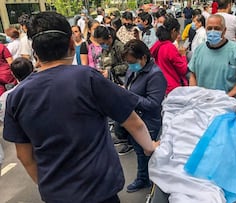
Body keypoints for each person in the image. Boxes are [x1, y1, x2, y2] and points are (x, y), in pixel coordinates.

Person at [3, 11, 156, 203]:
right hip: (100, 191)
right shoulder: (89, 78)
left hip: (57, 195)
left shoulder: (16, 96)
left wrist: (49, 186)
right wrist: (150, 147)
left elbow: (24, 156)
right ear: (70, 43)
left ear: (35, 51)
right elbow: (134, 123)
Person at [122, 39, 167, 193]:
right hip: (135, 117)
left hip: (149, 121)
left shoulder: (155, 75)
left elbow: (153, 103)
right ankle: (146, 178)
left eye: (132, 62)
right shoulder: (134, 69)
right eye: (128, 62)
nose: (130, 65)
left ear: (143, 58)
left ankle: (145, 179)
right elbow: (130, 87)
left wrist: (129, 97)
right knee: (140, 151)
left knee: (145, 152)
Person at [189, 14, 236, 100]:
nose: (213, 31)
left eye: (217, 28)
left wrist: (227, 97)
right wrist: (195, 94)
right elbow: (193, 75)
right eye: (209, 28)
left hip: (227, 104)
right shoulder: (199, 50)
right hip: (202, 102)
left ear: (224, 30)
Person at [150, 16, 188, 95]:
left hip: (161, 85)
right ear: (173, 31)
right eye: (178, 32)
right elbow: (183, 69)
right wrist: (183, 55)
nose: (178, 35)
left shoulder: (158, 44)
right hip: (173, 88)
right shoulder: (170, 48)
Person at [0, 58, 33, 122]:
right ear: (32, 69)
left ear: (12, 74)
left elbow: (3, 117)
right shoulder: (46, 85)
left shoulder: (6, 97)